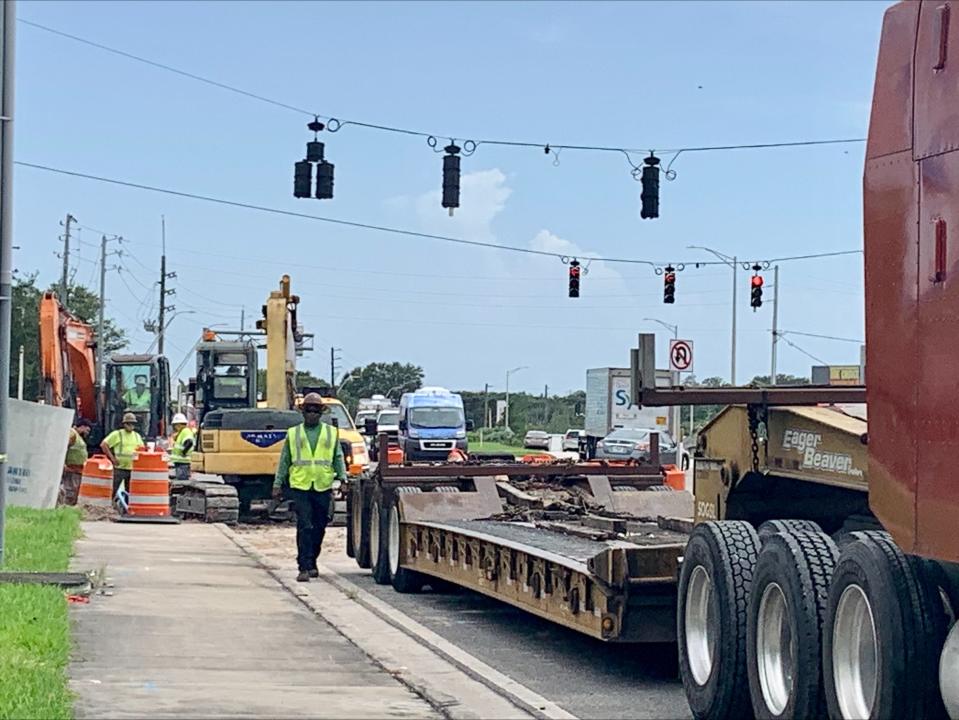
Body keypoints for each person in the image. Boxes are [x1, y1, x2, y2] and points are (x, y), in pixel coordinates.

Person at [272, 392, 347, 583]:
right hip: (300, 485)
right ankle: (304, 566)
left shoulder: (330, 433)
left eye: (315, 411)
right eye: (308, 410)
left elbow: (337, 457)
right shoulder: (293, 433)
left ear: (321, 413)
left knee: (320, 526)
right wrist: (278, 483)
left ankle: (312, 560)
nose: (312, 414)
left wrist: (344, 479)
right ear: (303, 412)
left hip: (322, 485)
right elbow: (285, 460)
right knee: (305, 525)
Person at [100, 412, 145, 495]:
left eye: (132, 424)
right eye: (128, 423)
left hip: (132, 468)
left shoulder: (136, 436)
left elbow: (141, 450)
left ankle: (125, 506)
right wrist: (112, 458)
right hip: (119, 468)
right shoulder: (118, 434)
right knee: (113, 489)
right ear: (124, 424)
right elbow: (104, 444)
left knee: (130, 492)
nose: (131, 426)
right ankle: (110, 504)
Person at [60, 417, 92, 506]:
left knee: (74, 492)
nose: (87, 433)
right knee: (69, 492)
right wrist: (63, 464)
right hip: (71, 470)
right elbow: (63, 447)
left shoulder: (78, 437)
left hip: (77, 471)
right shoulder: (72, 434)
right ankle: (66, 508)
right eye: (87, 430)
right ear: (82, 427)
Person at [169, 413, 195, 481]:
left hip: (183, 462)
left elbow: (189, 442)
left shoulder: (186, 431)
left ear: (178, 424)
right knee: (181, 479)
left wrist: (183, 453)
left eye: (175, 425)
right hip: (181, 462)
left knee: (182, 480)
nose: (174, 427)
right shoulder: (182, 432)